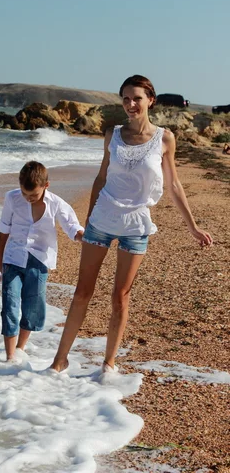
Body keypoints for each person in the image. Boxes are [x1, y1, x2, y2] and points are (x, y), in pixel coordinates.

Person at [51, 75, 213, 374]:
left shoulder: (165, 138)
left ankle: (109, 364)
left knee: (120, 296)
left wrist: (193, 227)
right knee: (82, 291)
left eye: (137, 98)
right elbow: (101, 177)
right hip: (102, 219)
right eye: (125, 98)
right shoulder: (111, 134)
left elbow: (174, 185)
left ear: (150, 99)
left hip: (137, 223)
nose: (130, 104)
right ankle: (59, 360)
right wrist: (88, 218)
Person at [0, 161, 84, 361]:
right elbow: (4, 229)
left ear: (46, 185)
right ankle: (10, 357)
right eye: (24, 194)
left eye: (33, 195)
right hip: (13, 258)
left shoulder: (57, 204)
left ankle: (20, 347)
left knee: (32, 306)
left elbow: (72, 226)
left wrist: (83, 237)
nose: (28, 199)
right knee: (10, 305)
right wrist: (1, 261)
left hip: (40, 259)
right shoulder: (12, 198)